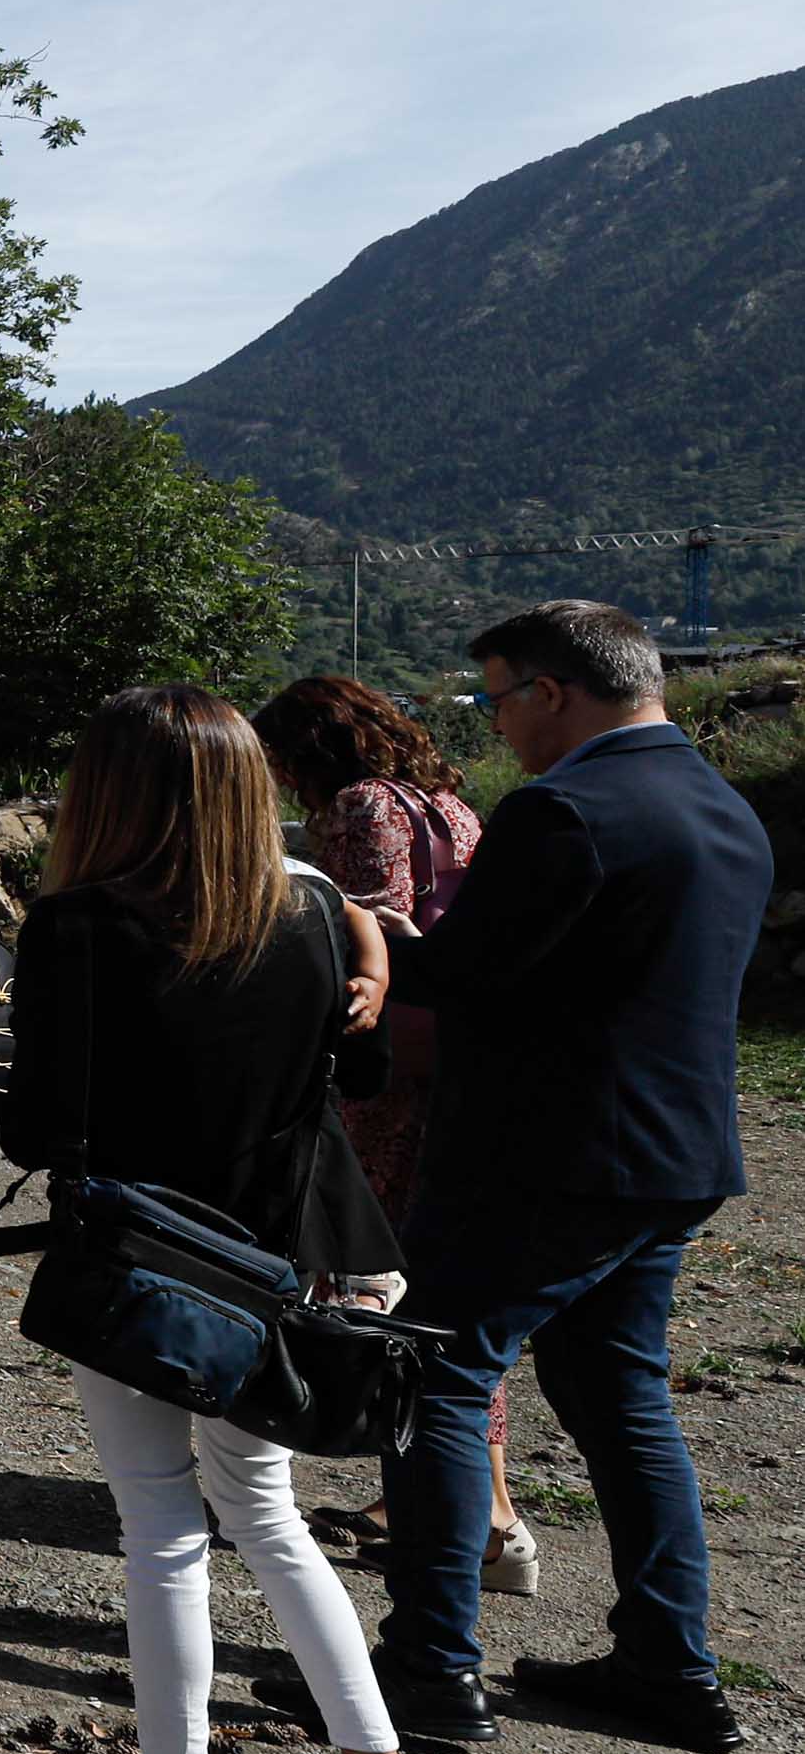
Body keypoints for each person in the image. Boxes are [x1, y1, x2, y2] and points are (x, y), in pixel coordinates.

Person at [0, 686, 459, 1754]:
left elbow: (37, 1124)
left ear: (104, 791)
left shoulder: (76, 924)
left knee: (158, 1528)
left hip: (156, 1269)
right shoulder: (310, 905)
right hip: (296, 1255)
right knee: (268, 1515)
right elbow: (351, 1074)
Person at [290, 601, 770, 1754]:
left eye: (496, 697)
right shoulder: (724, 807)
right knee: (623, 1398)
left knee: (435, 1380)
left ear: (551, 690)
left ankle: (428, 1667)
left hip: (545, 1154)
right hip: (672, 1154)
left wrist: (350, 922)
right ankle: (668, 1662)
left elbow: (460, 971)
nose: (494, 724)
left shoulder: (564, 810)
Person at [255, 675, 530, 1593]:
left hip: (391, 1076)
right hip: (459, 1059)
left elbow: (356, 927)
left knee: (393, 1283)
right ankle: (453, 1497)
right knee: (443, 1285)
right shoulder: (448, 802)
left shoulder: (359, 805)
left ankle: (477, 1511)